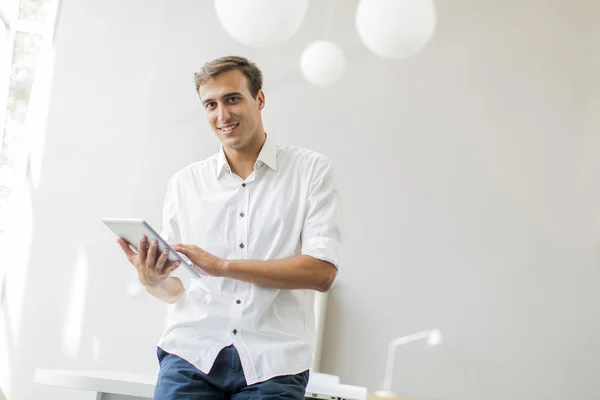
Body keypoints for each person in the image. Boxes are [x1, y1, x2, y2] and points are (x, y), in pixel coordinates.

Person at [117, 56, 341, 400]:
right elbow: (178, 290)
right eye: (211, 104)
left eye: (232, 99)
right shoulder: (184, 183)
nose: (222, 115)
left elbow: (321, 272)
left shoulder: (310, 171)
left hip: (274, 364)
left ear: (259, 99)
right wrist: (153, 280)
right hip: (191, 355)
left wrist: (222, 266)